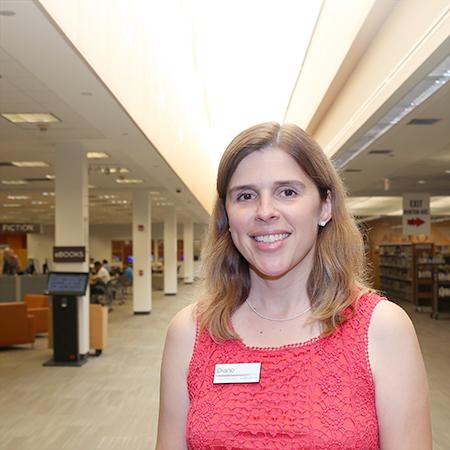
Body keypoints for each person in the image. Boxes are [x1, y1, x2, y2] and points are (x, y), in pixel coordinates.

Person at [155, 123, 431, 449]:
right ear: (226, 216)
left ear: (325, 206)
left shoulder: (382, 329)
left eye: (288, 192)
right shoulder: (190, 331)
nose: (265, 212)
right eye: (246, 196)